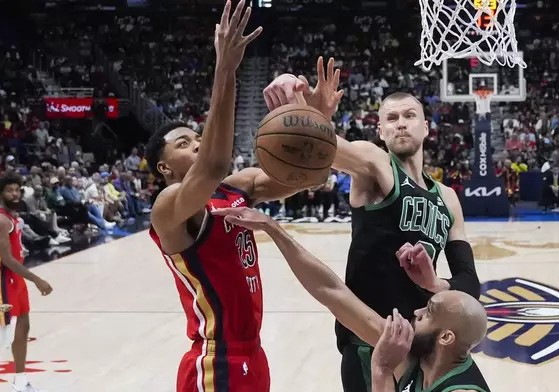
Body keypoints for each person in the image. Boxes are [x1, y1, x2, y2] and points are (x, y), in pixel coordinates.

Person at [145, 3, 333, 392]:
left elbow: (308, 178)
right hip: (216, 358)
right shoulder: (169, 208)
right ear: (164, 168)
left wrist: (318, 123)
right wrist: (226, 69)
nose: (196, 143)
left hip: (253, 353)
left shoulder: (237, 187)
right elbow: (212, 165)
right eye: (183, 143)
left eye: (198, 137)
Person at [264, 57, 481, 392]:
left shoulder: (448, 198)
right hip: (371, 342)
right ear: (380, 131)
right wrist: (300, 104)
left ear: (426, 127)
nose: (401, 124)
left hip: (423, 348)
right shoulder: (374, 165)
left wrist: (435, 283)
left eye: (410, 116)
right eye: (391, 119)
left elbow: (470, 286)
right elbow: (320, 145)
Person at [212, 207, 490, 392]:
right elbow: (331, 291)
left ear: (446, 338)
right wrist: (274, 229)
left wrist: (381, 370)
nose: (416, 311)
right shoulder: (424, 354)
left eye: (428, 312)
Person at [0, 173, 53, 392]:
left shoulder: (12, 217)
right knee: (4, 336)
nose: (14, 194)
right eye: (9, 190)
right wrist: (37, 279)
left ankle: (20, 382)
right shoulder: (2, 220)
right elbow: (7, 259)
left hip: (15, 279)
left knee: (23, 328)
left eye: (17, 190)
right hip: (4, 281)